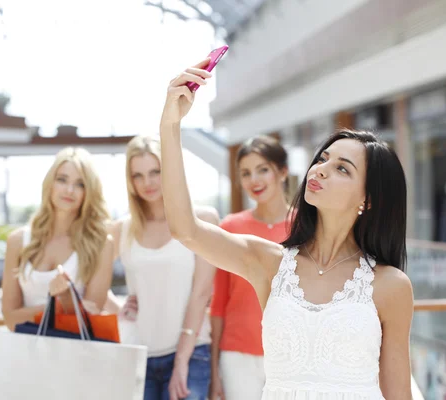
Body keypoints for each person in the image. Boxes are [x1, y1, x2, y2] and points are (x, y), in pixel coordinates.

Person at [158, 59, 414, 400]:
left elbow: (398, 394)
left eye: (342, 168)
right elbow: (185, 230)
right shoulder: (269, 262)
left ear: (367, 199)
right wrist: (170, 127)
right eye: (322, 159)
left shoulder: (391, 286)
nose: (320, 170)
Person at [107, 135, 218, 400]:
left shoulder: (202, 219)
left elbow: (201, 293)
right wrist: (118, 307)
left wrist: (181, 361)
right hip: (138, 355)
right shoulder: (121, 229)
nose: (148, 182)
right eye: (138, 175)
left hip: (192, 352)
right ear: (130, 181)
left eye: (155, 172)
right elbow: (88, 282)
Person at [210, 136, 291, 400]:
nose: (254, 180)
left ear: (282, 171)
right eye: (245, 173)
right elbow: (219, 302)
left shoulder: (308, 226)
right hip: (237, 356)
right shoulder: (230, 228)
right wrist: (214, 371)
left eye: (263, 169)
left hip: (292, 353)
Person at [2, 147, 113, 331]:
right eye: (62, 180)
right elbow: (10, 319)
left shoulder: (100, 244)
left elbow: (91, 318)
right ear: (50, 184)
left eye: (80, 184)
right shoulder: (17, 241)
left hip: (75, 355)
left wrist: (68, 298)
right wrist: (61, 306)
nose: (69, 190)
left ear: (89, 191)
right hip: (26, 354)